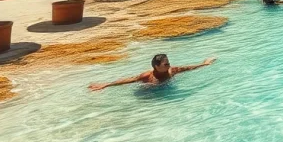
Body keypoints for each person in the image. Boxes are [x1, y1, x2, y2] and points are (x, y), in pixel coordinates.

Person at [88, 54, 216, 91]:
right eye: (166, 64)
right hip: (149, 91)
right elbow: (129, 80)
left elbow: (189, 68)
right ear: (156, 66)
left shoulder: (172, 70)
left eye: (169, 62)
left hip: (165, 90)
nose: (169, 65)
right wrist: (106, 85)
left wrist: (204, 64)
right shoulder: (147, 76)